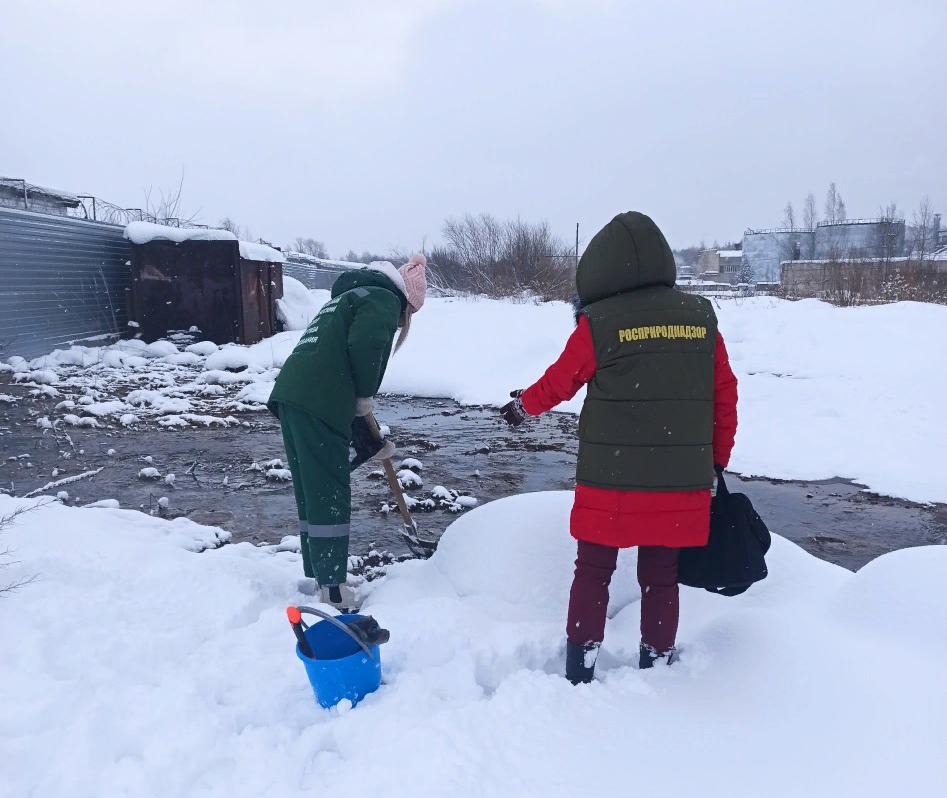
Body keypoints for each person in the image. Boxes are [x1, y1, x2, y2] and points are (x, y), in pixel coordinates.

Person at [500, 212, 737, 683]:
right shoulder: (699, 317)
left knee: (592, 570)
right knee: (661, 573)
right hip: (679, 478)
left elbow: (560, 381)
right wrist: (714, 462)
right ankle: (657, 665)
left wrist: (524, 407)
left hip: (610, 478)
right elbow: (724, 394)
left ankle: (579, 669)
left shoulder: (601, 322)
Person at [268, 255, 427, 609]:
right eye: (410, 314)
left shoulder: (350, 296)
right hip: (319, 399)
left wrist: (372, 443)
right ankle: (334, 590)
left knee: (313, 488)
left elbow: (340, 369)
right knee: (329, 492)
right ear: (408, 304)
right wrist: (367, 395)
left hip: (295, 395)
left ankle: (319, 572)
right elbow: (367, 347)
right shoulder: (384, 299)